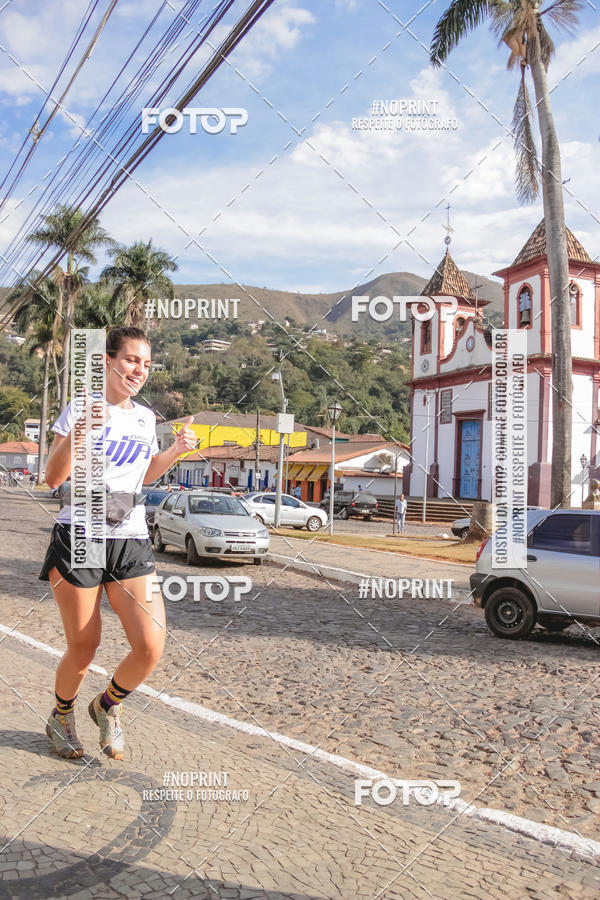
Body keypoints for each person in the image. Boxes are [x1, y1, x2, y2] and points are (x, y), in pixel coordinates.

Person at [41, 326, 196, 761]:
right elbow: (53, 478)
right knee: (85, 647)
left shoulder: (145, 418)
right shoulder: (80, 407)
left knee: (150, 645)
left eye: (146, 364)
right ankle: (61, 713)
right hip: (82, 537)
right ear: (108, 360)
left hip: (130, 539)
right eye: (132, 360)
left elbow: (145, 475)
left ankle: (106, 705)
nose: (140, 370)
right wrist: (79, 432)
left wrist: (177, 450)